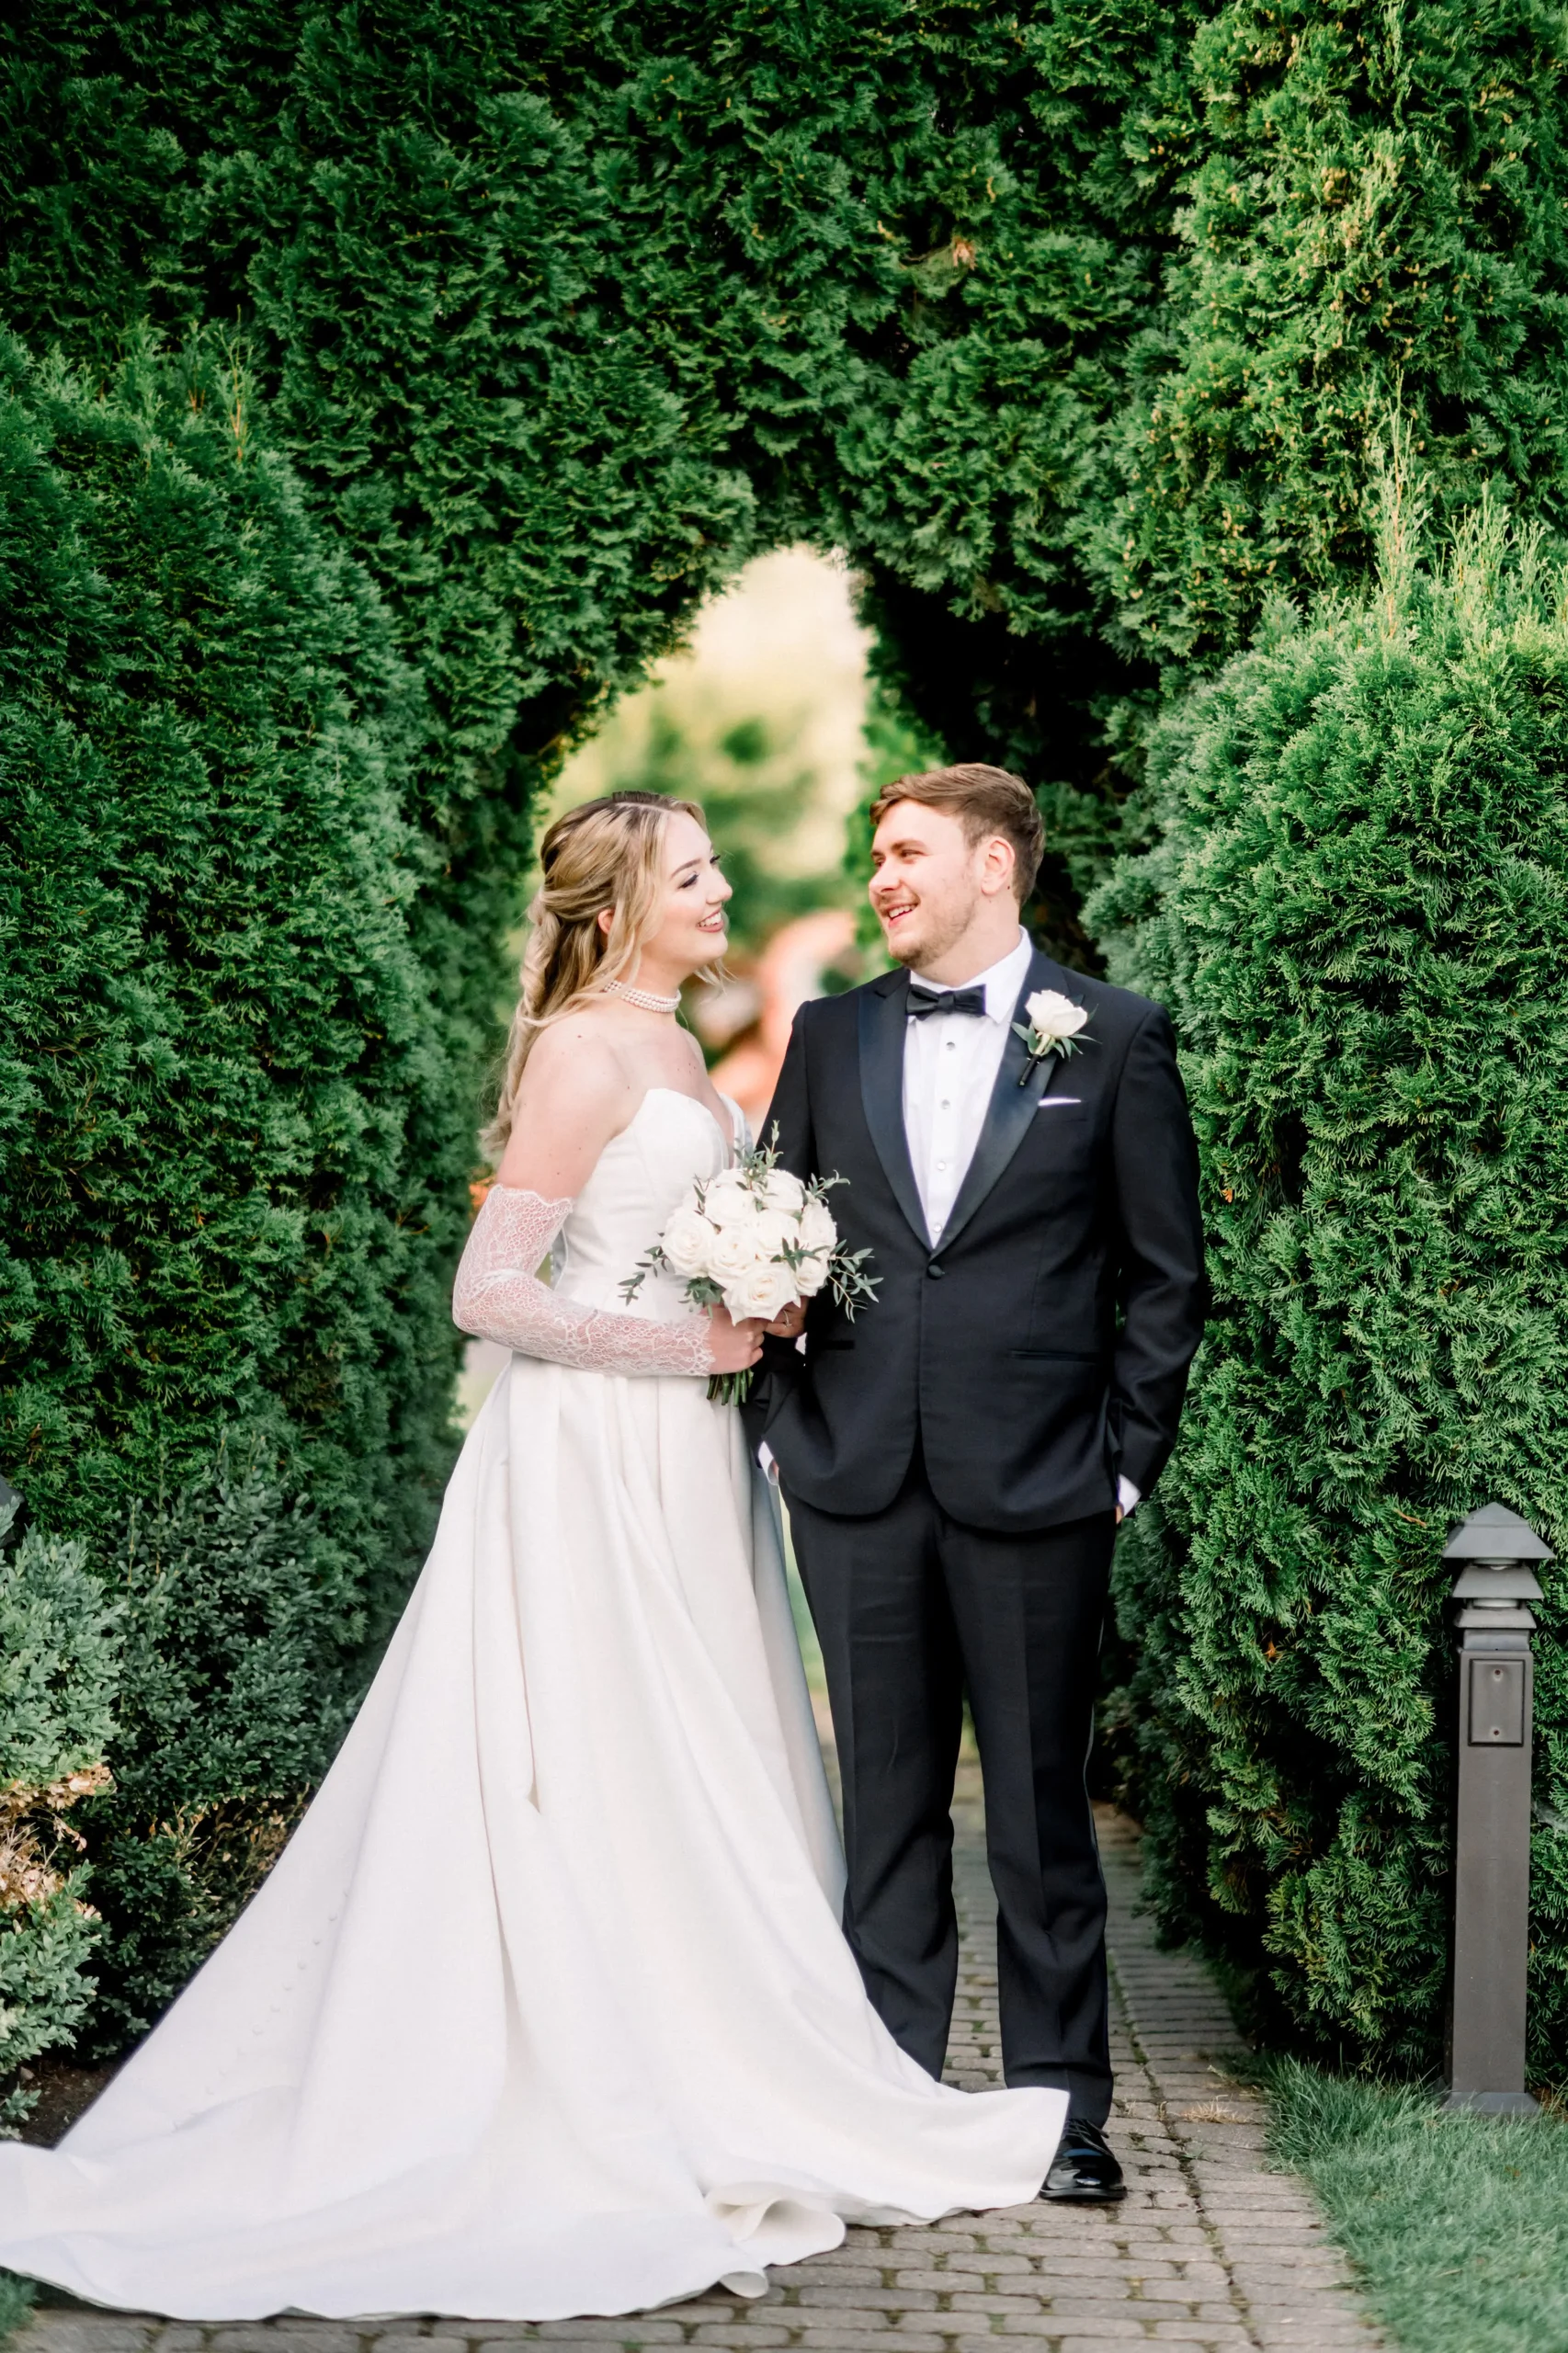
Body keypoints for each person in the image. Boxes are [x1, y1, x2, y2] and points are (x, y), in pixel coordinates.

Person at [0, 790, 1064, 2324]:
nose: (719, 894)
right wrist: (679, 1337)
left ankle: (702, 2040)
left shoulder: (682, 1047)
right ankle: (579, 2075)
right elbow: (487, 1292)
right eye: (694, 877)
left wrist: (756, 1308)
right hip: (586, 1453)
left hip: (685, 1455)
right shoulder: (580, 1052)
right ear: (623, 905)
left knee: (691, 1745)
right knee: (584, 1752)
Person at [746, 764, 1207, 2202]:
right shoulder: (825, 1036)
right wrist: (781, 1420)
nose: (879, 879)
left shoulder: (1113, 1037)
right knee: (882, 1811)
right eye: (874, 856)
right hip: (854, 1479)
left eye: (905, 854)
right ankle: (888, 2103)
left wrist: (1121, 1468)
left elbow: (1164, 1277)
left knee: (1036, 1816)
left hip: (1043, 1488)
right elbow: (768, 1232)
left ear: (993, 866)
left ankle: (1058, 2117)